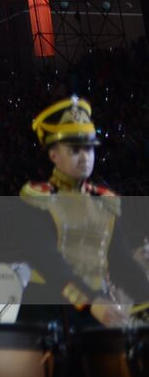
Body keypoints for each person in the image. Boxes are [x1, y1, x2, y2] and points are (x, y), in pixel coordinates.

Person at [19, 97, 149, 325]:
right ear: (54, 155)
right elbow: (47, 261)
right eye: (74, 150)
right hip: (47, 310)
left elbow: (121, 262)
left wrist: (145, 301)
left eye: (89, 148)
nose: (85, 157)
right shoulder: (38, 199)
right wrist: (89, 301)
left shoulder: (105, 202)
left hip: (94, 310)